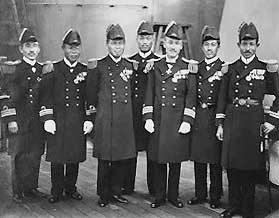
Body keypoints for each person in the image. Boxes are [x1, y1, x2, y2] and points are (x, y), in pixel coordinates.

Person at [216, 22, 279, 218]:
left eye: (252, 44)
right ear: (238, 45)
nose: (248, 48)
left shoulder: (265, 69)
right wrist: (220, 123)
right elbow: (222, 99)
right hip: (234, 120)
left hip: (254, 122)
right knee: (233, 166)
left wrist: (272, 120)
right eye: (244, 44)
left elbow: (278, 95)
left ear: (257, 45)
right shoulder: (230, 69)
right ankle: (234, 205)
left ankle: (247, 208)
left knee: (250, 167)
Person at [143, 21, 197, 208]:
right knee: (158, 160)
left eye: (176, 43)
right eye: (170, 43)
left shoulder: (188, 67)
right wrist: (148, 117)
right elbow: (149, 93)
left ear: (181, 46)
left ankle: (173, 196)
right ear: (164, 44)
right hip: (159, 119)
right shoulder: (155, 65)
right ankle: (159, 196)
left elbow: (191, 96)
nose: (173, 47)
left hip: (176, 120)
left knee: (175, 160)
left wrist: (187, 119)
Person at [39, 29, 92, 203]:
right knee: (57, 158)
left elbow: (89, 98)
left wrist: (89, 119)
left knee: (73, 157)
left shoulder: (85, 71)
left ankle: (70, 188)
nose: (74, 52)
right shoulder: (53, 69)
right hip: (58, 120)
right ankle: (56, 190)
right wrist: (47, 119)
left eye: (77, 48)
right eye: (70, 48)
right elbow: (45, 97)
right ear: (63, 48)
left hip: (76, 121)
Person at [86, 24, 136, 207]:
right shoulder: (98, 66)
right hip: (105, 119)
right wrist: (91, 119)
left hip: (123, 119)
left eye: (120, 43)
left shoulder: (130, 66)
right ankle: (103, 194)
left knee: (121, 159)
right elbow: (91, 95)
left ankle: (116, 192)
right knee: (105, 159)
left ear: (124, 45)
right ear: (107, 44)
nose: (117, 47)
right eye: (114, 43)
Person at [1, 28, 46, 203]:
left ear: (39, 49)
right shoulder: (13, 70)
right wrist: (10, 119)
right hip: (18, 121)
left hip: (36, 122)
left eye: (35, 46)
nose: (32, 49)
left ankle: (31, 188)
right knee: (19, 155)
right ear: (21, 49)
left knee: (35, 154)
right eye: (28, 46)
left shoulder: (43, 70)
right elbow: (5, 97)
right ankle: (18, 191)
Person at [187, 25, 223, 209]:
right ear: (202, 47)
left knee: (214, 160)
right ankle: (200, 194)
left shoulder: (224, 68)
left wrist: (220, 122)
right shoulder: (196, 68)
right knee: (199, 158)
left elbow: (225, 98)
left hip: (214, 115)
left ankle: (215, 195)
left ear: (218, 46)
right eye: (206, 45)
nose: (209, 48)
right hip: (200, 116)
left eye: (213, 44)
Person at [122, 20, 159, 196]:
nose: (145, 42)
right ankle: (127, 186)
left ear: (153, 39)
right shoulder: (129, 61)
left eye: (148, 38)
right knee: (131, 150)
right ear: (137, 39)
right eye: (142, 38)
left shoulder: (159, 61)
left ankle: (154, 187)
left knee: (152, 152)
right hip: (134, 113)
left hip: (153, 114)